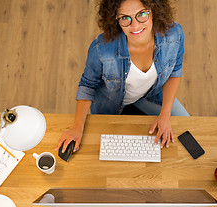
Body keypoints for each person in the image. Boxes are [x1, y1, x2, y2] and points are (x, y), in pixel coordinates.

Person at [56, 0, 189, 153]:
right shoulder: (102, 50)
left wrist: (165, 115)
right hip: (111, 103)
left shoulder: (174, 35)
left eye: (142, 14)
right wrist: (77, 128)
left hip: (152, 95)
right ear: (115, 19)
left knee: (187, 126)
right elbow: (88, 85)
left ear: (153, 10)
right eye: (125, 18)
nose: (135, 26)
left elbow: (175, 71)